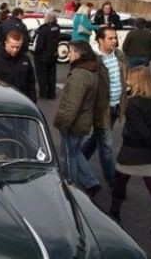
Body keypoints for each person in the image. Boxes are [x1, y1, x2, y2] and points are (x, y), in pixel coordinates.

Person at [109, 67, 151, 239]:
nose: (127, 82)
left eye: (129, 79)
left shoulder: (134, 103)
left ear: (137, 81)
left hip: (132, 150)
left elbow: (139, 129)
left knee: (120, 181)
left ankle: (114, 214)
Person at [83, 27, 128, 191]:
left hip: (116, 106)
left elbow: (124, 78)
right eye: (110, 38)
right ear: (100, 41)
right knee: (107, 145)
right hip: (102, 109)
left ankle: (75, 162)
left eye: (115, 38)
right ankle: (113, 181)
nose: (114, 41)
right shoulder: (94, 60)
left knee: (96, 139)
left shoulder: (120, 55)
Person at [54, 41, 101, 193]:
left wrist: (64, 124)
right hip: (84, 122)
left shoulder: (79, 76)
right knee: (76, 153)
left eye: (70, 52)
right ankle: (91, 182)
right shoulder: (90, 71)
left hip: (75, 123)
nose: (68, 54)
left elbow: (72, 104)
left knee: (68, 158)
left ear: (77, 54)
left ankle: (71, 188)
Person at [0, 30, 37, 102]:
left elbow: (31, 83)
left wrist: (32, 102)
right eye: (12, 46)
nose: (15, 50)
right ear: (6, 43)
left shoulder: (25, 60)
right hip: (2, 102)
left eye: (18, 47)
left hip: (22, 101)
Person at [32, 12, 61, 99]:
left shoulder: (44, 29)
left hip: (43, 56)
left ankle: (43, 93)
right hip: (53, 54)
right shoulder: (57, 27)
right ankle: (51, 93)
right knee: (52, 75)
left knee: (42, 75)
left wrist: (36, 52)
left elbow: (40, 44)